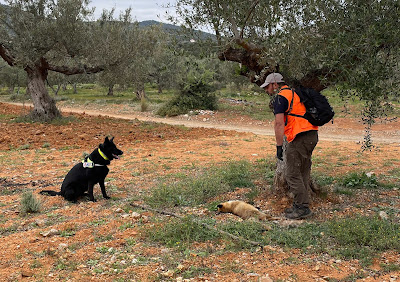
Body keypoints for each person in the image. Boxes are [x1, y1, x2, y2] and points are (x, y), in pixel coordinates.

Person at [261, 73, 318, 219]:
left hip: (299, 137)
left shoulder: (281, 98)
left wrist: (279, 146)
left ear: (275, 84)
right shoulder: (295, 93)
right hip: (312, 135)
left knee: (291, 173)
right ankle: (301, 204)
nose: (267, 90)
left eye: (268, 87)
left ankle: (302, 208)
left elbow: (279, 123)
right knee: (303, 171)